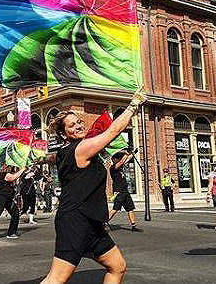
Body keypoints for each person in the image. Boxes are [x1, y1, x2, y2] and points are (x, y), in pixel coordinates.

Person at [40, 89, 145, 284]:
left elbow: (52, 157)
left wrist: (38, 157)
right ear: (64, 134)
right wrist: (133, 105)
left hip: (92, 222)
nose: (78, 126)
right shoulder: (81, 149)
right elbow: (113, 131)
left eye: (79, 122)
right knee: (57, 278)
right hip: (75, 221)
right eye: (71, 126)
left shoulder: (65, 152)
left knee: (117, 266)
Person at [107, 150, 141, 232]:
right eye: (117, 159)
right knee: (115, 209)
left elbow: (126, 159)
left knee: (130, 208)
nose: (119, 160)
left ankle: (133, 226)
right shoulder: (113, 168)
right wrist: (126, 153)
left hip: (125, 191)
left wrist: (133, 153)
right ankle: (103, 222)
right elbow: (122, 161)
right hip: (119, 191)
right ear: (114, 160)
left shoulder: (120, 167)